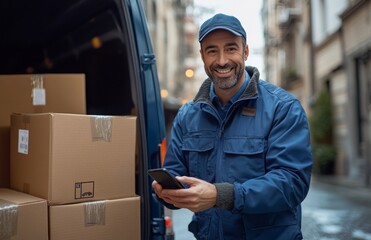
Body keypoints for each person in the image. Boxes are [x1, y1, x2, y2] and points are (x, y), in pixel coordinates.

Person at [152, 13, 313, 240]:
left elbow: (293, 182)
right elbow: (176, 174)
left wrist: (221, 195)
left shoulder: (283, 108)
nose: (221, 60)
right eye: (212, 51)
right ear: (202, 56)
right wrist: (166, 193)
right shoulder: (187, 116)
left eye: (230, 49)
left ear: (245, 51)